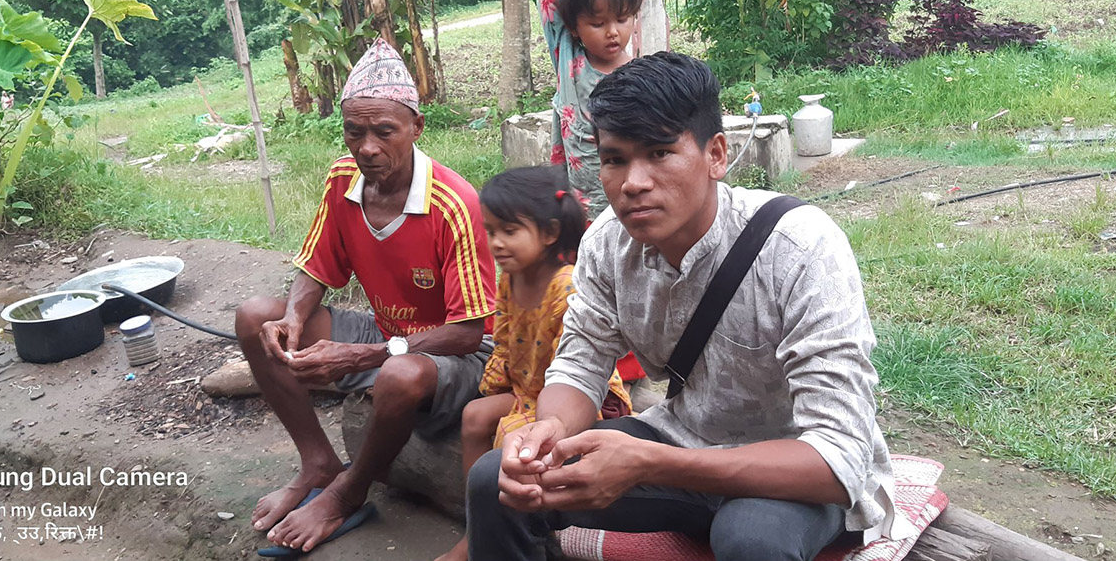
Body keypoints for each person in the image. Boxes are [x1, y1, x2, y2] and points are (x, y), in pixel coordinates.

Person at [464, 52, 914, 561]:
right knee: (493, 479)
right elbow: (581, 361)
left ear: (716, 155)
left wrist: (649, 464)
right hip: (681, 437)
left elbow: (838, 458)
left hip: (792, 467)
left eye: (658, 152)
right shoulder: (607, 245)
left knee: (752, 541)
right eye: (614, 159)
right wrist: (550, 431)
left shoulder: (800, 248)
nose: (632, 182)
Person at [234, 38, 496, 554]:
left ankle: (346, 494)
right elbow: (315, 267)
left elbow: (469, 332)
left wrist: (365, 354)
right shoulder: (343, 179)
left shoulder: (454, 203)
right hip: (391, 336)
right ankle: (318, 463)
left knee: (398, 371)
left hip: (458, 358)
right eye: (355, 132)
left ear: (417, 128)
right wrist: (290, 317)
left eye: (384, 131)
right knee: (253, 317)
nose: (367, 147)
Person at [435, 166, 631, 561]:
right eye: (491, 231)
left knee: (510, 437)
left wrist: (524, 408)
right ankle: (478, 524)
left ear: (549, 233)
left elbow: (576, 367)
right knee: (474, 414)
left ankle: (521, 525)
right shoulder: (510, 277)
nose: (497, 243)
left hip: (580, 401)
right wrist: (493, 386)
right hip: (527, 390)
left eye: (510, 231)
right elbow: (503, 342)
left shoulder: (566, 286)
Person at [538, 0, 642, 219]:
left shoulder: (638, 74)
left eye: (622, 19)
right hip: (577, 194)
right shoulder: (567, 54)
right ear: (574, 27)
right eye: (597, 24)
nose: (613, 32)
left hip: (621, 194)